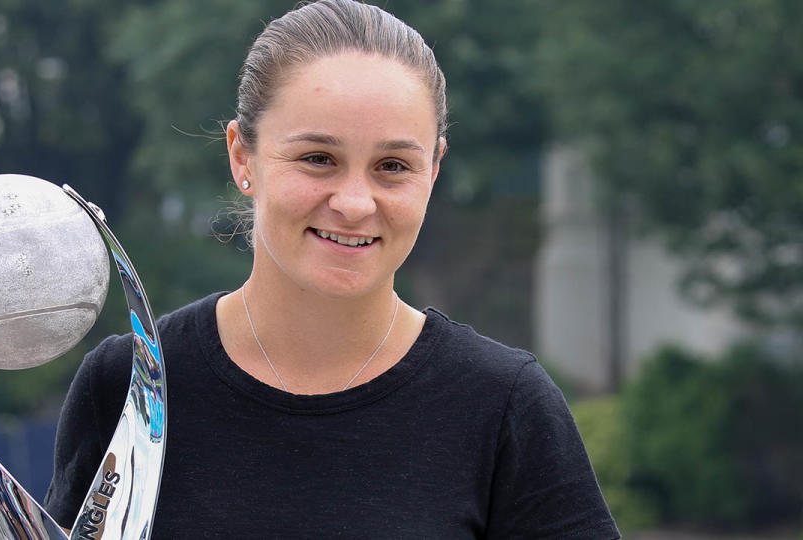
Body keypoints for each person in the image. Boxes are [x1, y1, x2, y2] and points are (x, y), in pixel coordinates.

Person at [44, 1, 621, 538]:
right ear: (242, 156)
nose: (354, 202)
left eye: (392, 165)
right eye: (318, 159)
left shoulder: (503, 406)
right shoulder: (128, 386)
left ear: (434, 170)